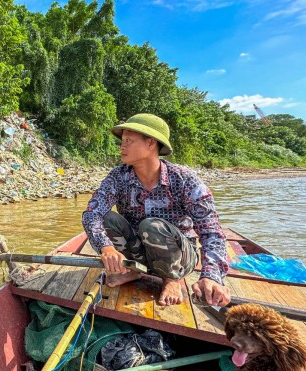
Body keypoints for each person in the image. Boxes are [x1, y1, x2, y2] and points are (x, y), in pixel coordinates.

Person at [82, 113, 230, 307]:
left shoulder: (184, 179)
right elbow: (92, 213)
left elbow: (212, 232)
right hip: (139, 249)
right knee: (107, 218)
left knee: (152, 226)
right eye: (122, 141)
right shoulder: (118, 177)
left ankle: (171, 279)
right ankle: (133, 269)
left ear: (151, 143)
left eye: (129, 140)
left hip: (179, 256)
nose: (122, 146)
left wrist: (211, 276)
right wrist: (106, 246)